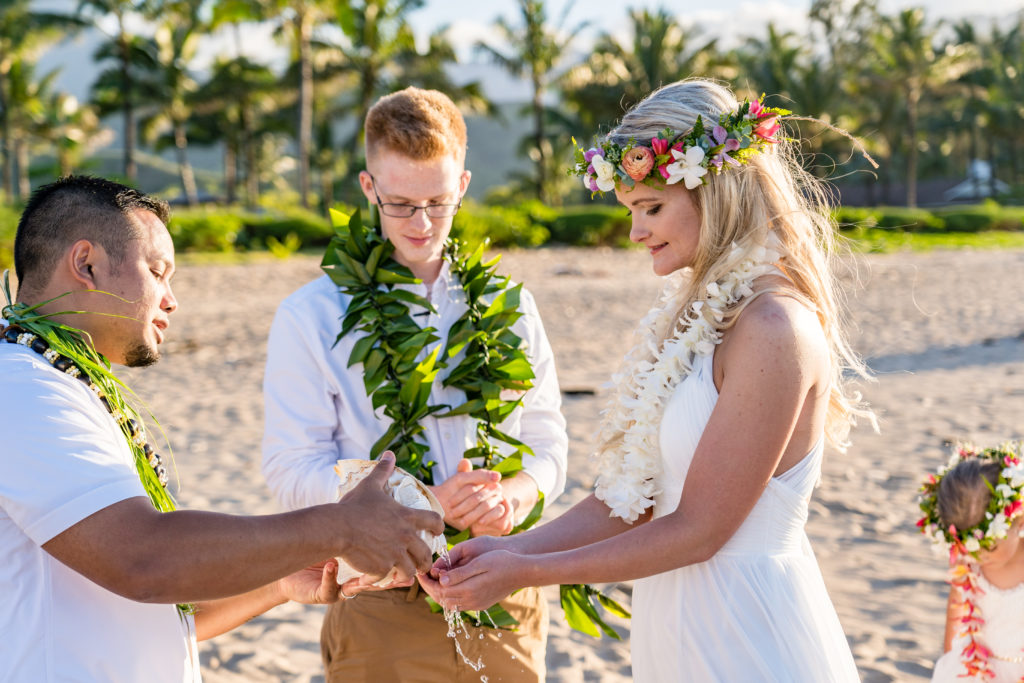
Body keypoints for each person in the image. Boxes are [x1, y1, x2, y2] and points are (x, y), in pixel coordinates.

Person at [420, 78, 874, 682]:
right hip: (678, 622)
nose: (635, 232)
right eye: (630, 209)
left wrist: (527, 573)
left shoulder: (773, 326)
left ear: (716, 189)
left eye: (651, 207)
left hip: (746, 630)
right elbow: (636, 502)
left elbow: (700, 530)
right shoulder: (703, 315)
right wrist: (511, 547)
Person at [0, 175, 444, 682]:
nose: (171, 300)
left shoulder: (59, 385)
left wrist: (280, 579)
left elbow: (166, 610)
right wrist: (340, 526)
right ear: (86, 264)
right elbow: (142, 560)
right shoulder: (24, 389)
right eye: (157, 272)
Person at [261, 86, 568, 682]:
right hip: (378, 597)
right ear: (368, 186)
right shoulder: (310, 315)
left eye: (438, 202)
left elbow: (547, 437)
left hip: (503, 587)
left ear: (464, 185)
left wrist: (514, 496)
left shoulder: (512, 305)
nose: (422, 224)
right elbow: (290, 470)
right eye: (400, 204)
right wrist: (421, 505)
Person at [918, 443, 1024, 682]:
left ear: (1020, 520)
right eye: (969, 548)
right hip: (975, 670)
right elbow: (956, 611)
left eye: (990, 547)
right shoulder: (967, 566)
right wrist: (949, 660)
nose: (979, 557)